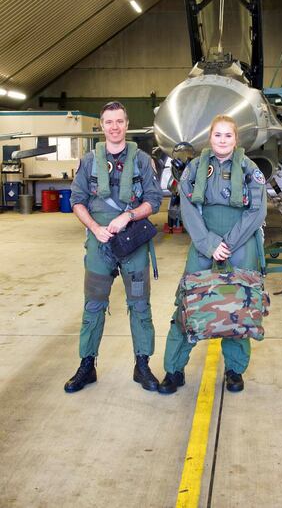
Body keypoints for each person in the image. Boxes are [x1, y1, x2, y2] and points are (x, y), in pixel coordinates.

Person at [158, 115, 267, 394]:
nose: (222, 140)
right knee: (187, 301)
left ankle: (234, 370)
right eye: (217, 135)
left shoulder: (248, 169)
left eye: (227, 135)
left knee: (239, 305)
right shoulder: (195, 168)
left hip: (240, 242)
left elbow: (258, 211)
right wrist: (208, 244)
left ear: (235, 138)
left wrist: (227, 243)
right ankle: (174, 370)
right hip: (203, 240)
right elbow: (187, 207)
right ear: (210, 138)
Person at [64, 101, 163, 393]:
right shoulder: (89, 161)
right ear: (102, 126)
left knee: (139, 304)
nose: (115, 127)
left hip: (132, 241)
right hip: (99, 243)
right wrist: (95, 229)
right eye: (109, 122)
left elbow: (153, 201)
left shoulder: (143, 161)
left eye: (119, 121)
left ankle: (142, 365)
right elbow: (77, 201)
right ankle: (87, 365)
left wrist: (129, 215)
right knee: (93, 305)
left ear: (127, 124)